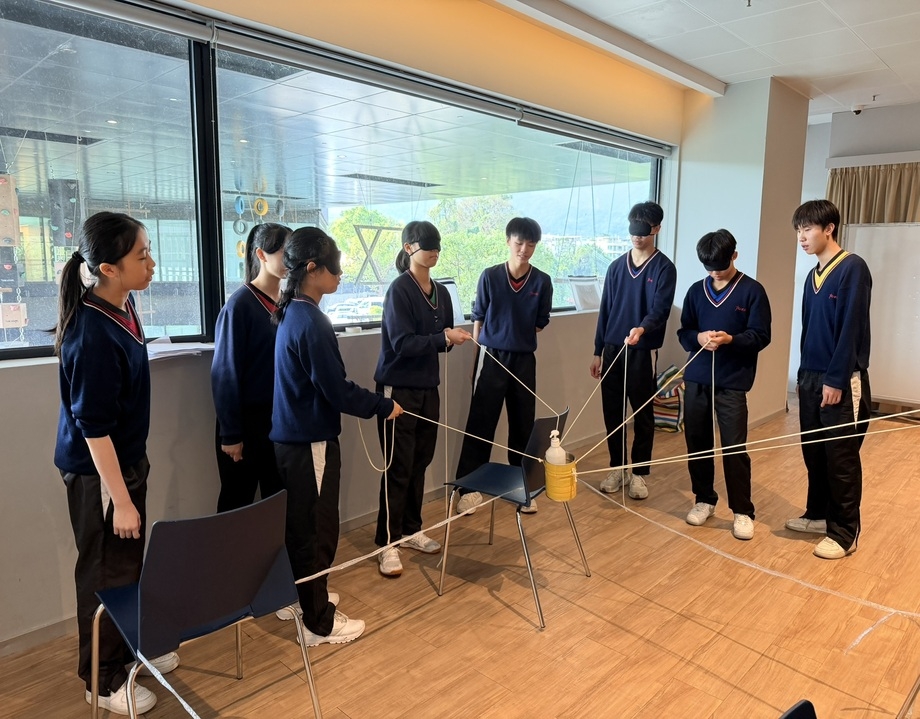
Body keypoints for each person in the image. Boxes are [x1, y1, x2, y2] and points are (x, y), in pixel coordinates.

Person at [53, 212, 176, 715]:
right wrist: (121, 501)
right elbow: (93, 428)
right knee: (104, 573)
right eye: (141, 256)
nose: (151, 263)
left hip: (126, 463)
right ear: (108, 268)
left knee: (126, 567)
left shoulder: (124, 304)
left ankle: (127, 652)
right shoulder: (92, 334)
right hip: (100, 474)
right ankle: (101, 681)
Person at [271, 227, 402, 645]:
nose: (341, 275)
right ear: (312, 268)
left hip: (293, 440)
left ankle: (302, 599)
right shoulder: (310, 321)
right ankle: (318, 623)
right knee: (316, 530)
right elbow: (337, 389)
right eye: (335, 269)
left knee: (301, 528)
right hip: (309, 442)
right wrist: (382, 405)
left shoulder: (293, 311)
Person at [374, 220, 472, 577]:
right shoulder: (399, 290)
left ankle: (411, 529)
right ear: (409, 248)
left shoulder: (441, 292)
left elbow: (438, 341)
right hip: (398, 389)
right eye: (427, 245)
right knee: (398, 466)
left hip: (429, 388)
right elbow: (401, 343)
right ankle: (387, 543)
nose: (434, 251)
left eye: (437, 245)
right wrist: (443, 338)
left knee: (420, 461)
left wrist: (450, 338)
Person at [787, 199, 871, 560]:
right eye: (798, 231)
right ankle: (818, 515)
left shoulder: (853, 268)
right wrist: (803, 374)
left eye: (807, 229)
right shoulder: (812, 276)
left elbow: (851, 330)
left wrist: (835, 380)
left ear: (829, 228)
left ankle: (845, 532)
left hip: (840, 378)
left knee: (841, 458)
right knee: (814, 452)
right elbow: (809, 329)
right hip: (810, 376)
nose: (801, 237)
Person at [676, 230, 771, 540]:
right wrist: (699, 337)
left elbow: (761, 336)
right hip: (697, 378)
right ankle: (704, 499)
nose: (715, 272)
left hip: (732, 382)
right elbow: (684, 333)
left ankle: (742, 511)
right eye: (709, 267)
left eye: (720, 266)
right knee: (697, 443)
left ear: (734, 256)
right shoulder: (695, 291)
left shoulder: (752, 291)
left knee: (734, 447)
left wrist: (731, 340)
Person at [454, 217, 553, 515]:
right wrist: (475, 362)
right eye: (519, 243)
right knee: (480, 425)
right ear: (508, 241)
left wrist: (515, 333)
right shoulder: (490, 276)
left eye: (531, 244)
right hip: (492, 358)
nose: (524, 249)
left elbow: (540, 324)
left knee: (523, 425)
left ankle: (521, 487)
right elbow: (478, 320)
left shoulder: (542, 281)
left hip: (523, 361)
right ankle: (468, 490)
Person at [590, 201, 676, 500]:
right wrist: (598, 350)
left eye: (644, 230)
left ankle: (639, 472)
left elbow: (660, 310)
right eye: (633, 229)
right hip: (613, 348)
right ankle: (618, 467)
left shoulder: (664, 268)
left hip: (643, 348)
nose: (637, 236)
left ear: (656, 229)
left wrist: (642, 329)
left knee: (642, 413)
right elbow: (605, 310)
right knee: (612, 412)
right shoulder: (616, 267)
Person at [212, 222, 290, 514]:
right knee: (236, 504)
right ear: (261, 254)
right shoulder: (240, 305)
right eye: (284, 252)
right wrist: (231, 434)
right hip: (246, 424)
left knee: (277, 501)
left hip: (278, 420)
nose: (290, 259)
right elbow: (225, 374)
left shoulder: (288, 302)